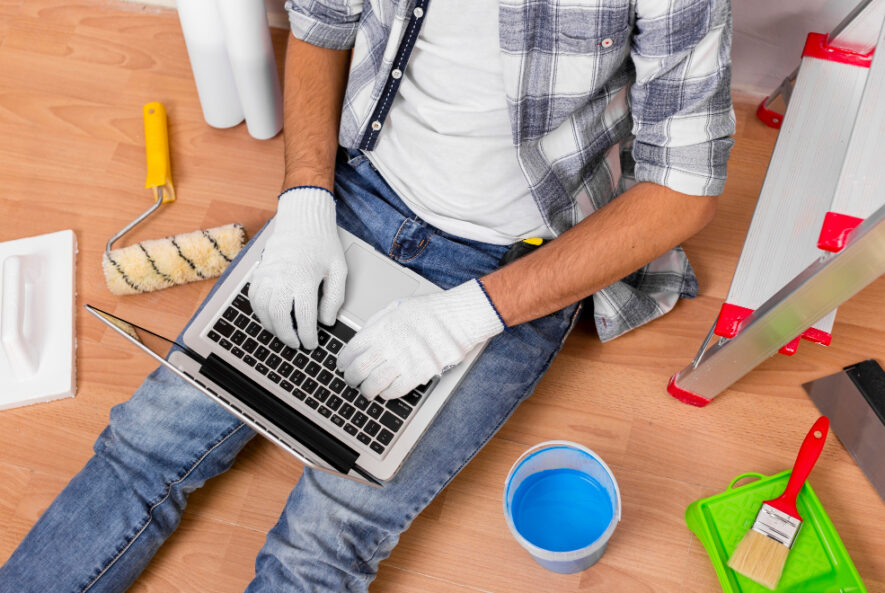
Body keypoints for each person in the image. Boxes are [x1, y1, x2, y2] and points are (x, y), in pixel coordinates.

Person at [0, 0, 735, 591]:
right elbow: (321, 30)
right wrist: (304, 202)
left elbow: (682, 192)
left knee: (321, 546)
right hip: (357, 192)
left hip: (515, 261)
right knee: (141, 446)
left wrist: (465, 316)